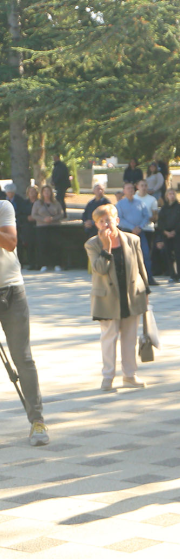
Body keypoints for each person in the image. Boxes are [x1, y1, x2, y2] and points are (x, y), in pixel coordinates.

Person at [85, 204, 149, 391]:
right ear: (96, 224)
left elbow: (141, 267)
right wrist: (106, 247)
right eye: (101, 221)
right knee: (109, 338)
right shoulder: (92, 244)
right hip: (107, 298)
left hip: (131, 295)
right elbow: (99, 268)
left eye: (109, 220)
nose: (106, 224)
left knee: (130, 338)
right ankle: (108, 377)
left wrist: (146, 292)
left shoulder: (132, 240)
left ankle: (130, 375)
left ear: (117, 221)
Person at [0, 196, 48, 445]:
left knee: (23, 358)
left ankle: (37, 422)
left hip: (10, 292)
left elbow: (10, 242)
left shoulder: (3, 207)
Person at [116, 182, 156, 286]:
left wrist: (140, 227)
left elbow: (146, 216)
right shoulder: (120, 204)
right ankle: (127, 279)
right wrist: (132, 227)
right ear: (124, 191)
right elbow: (119, 219)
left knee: (145, 254)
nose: (130, 190)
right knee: (126, 256)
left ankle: (148, 279)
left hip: (140, 232)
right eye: (128, 188)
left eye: (132, 188)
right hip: (126, 232)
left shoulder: (140, 203)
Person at [30, 185, 64, 273]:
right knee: (42, 245)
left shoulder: (56, 202)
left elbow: (61, 214)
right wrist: (43, 219)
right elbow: (34, 214)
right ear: (42, 193)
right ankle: (43, 264)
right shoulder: (38, 203)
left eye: (48, 191)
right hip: (41, 227)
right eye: (45, 191)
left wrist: (53, 219)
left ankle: (57, 264)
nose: (46, 193)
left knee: (55, 245)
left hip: (54, 226)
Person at [155, 188, 180, 282]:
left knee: (179, 254)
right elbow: (160, 222)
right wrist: (165, 232)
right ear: (167, 196)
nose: (171, 196)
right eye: (170, 194)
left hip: (177, 234)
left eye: (173, 194)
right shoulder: (164, 208)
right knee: (168, 254)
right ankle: (172, 274)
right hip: (166, 234)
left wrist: (175, 231)